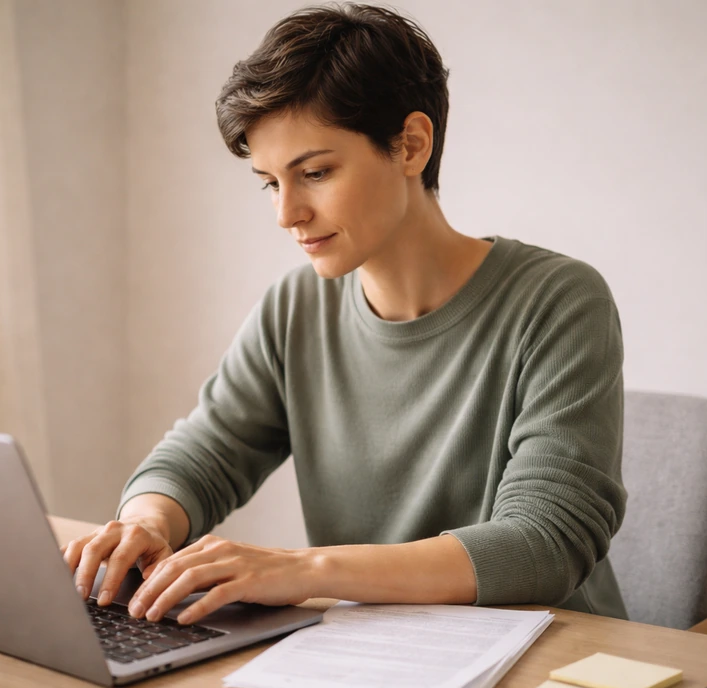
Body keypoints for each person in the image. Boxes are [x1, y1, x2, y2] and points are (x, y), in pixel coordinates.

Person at [61, 2, 628, 626]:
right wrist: (145, 523)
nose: (288, 214)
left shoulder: (558, 301)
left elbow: (543, 546)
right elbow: (207, 451)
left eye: (316, 173)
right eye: (271, 183)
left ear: (411, 145)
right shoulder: (295, 308)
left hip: (546, 661)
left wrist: (302, 570)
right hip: (371, 654)